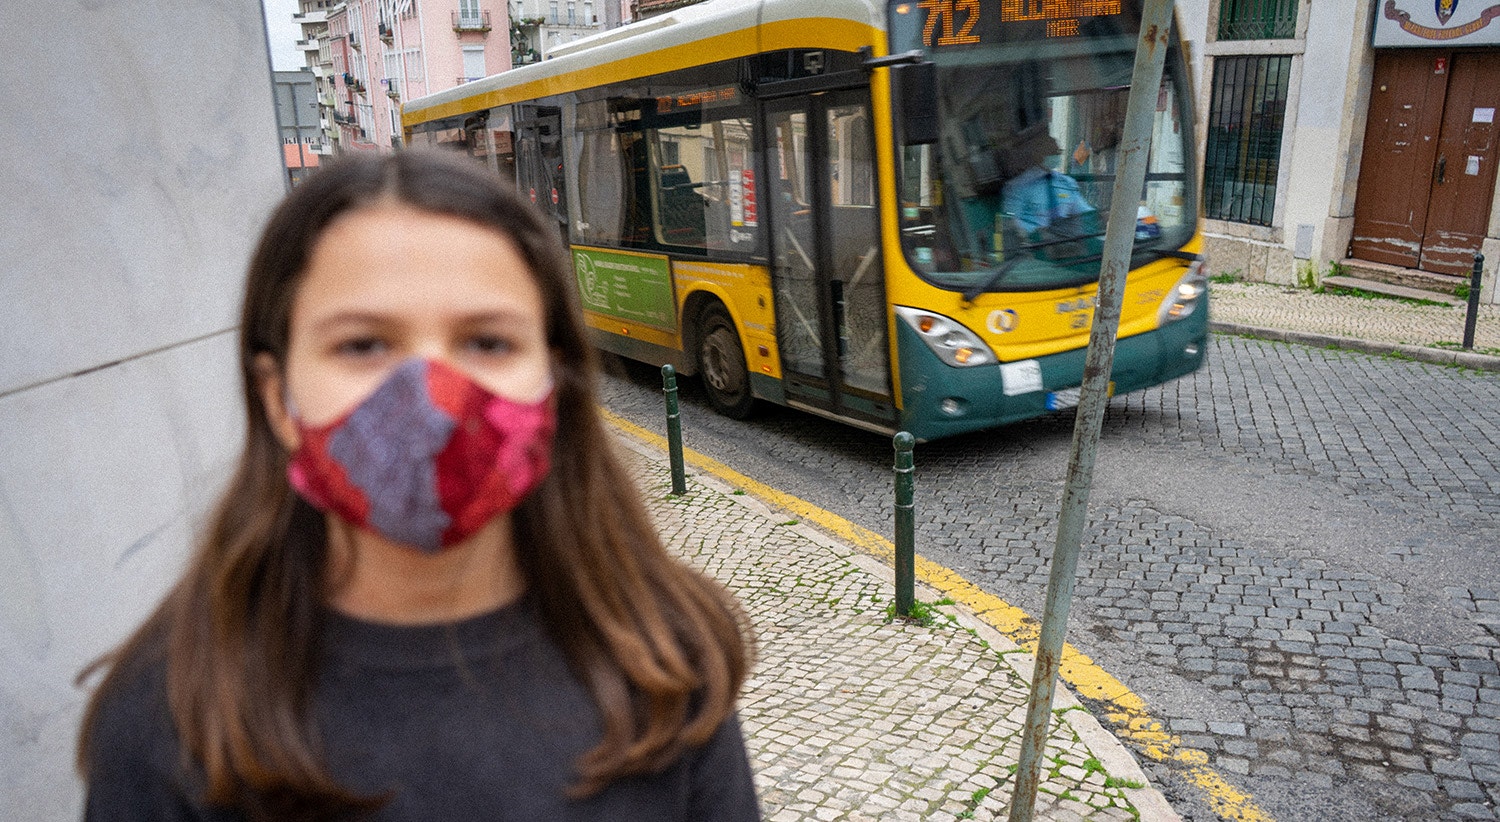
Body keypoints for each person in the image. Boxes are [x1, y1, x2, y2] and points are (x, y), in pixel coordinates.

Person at [76, 150, 760, 821]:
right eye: (364, 344)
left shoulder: (670, 666)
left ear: (553, 386)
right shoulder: (170, 718)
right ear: (278, 397)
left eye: (488, 342)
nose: (432, 401)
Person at [1000, 132, 1097, 238]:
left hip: (1069, 244)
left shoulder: (1066, 183)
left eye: (1059, 152)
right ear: (1039, 154)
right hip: (1037, 248)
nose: (1057, 155)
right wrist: (1035, 232)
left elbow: (1083, 211)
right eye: (1053, 152)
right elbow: (1011, 223)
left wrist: (1099, 217)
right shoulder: (1019, 187)